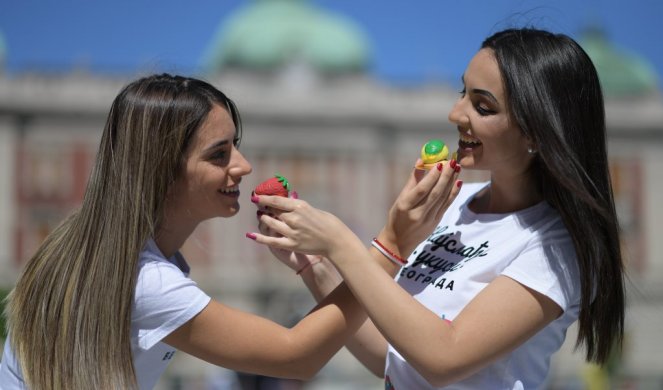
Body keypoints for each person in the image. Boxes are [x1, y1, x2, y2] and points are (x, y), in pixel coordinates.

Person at [0, 74, 462, 389]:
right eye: (219, 155)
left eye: (235, 146)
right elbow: (296, 355)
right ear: (162, 171)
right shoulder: (146, 280)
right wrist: (392, 242)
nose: (243, 166)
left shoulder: (86, 247)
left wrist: (315, 268)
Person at [248, 27, 626, 389]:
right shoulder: (455, 202)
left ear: (535, 132)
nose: (455, 113)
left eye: (482, 106)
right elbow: (395, 354)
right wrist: (314, 265)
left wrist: (340, 244)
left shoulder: (554, 245)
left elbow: (444, 358)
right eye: (463, 93)